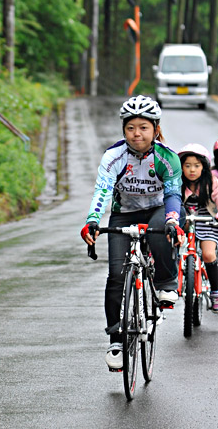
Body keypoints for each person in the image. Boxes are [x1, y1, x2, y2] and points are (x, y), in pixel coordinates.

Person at [80, 95, 185, 371]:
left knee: (159, 230)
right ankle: (116, 339)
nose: (136, 133)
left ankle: (166, 283)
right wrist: (92, 220)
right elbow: (102, 191)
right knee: (116, 275)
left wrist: (173, 220)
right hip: (123, 213)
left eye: (143, 127)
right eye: (130, 128)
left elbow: (174, 194)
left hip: (157, 209)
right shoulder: (113, 157)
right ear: (123, 129)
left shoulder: (167, 158)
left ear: (155, 129)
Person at [178, 143, 218, 313]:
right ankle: (169, 284)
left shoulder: (211, 182)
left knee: (208, 254)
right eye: (187, 166)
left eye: (196, 166)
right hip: (184, 220)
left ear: (204, 167)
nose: (192, 170)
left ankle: (216, 293)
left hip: (206, 219)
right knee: (169, 247)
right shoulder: (177, 182)